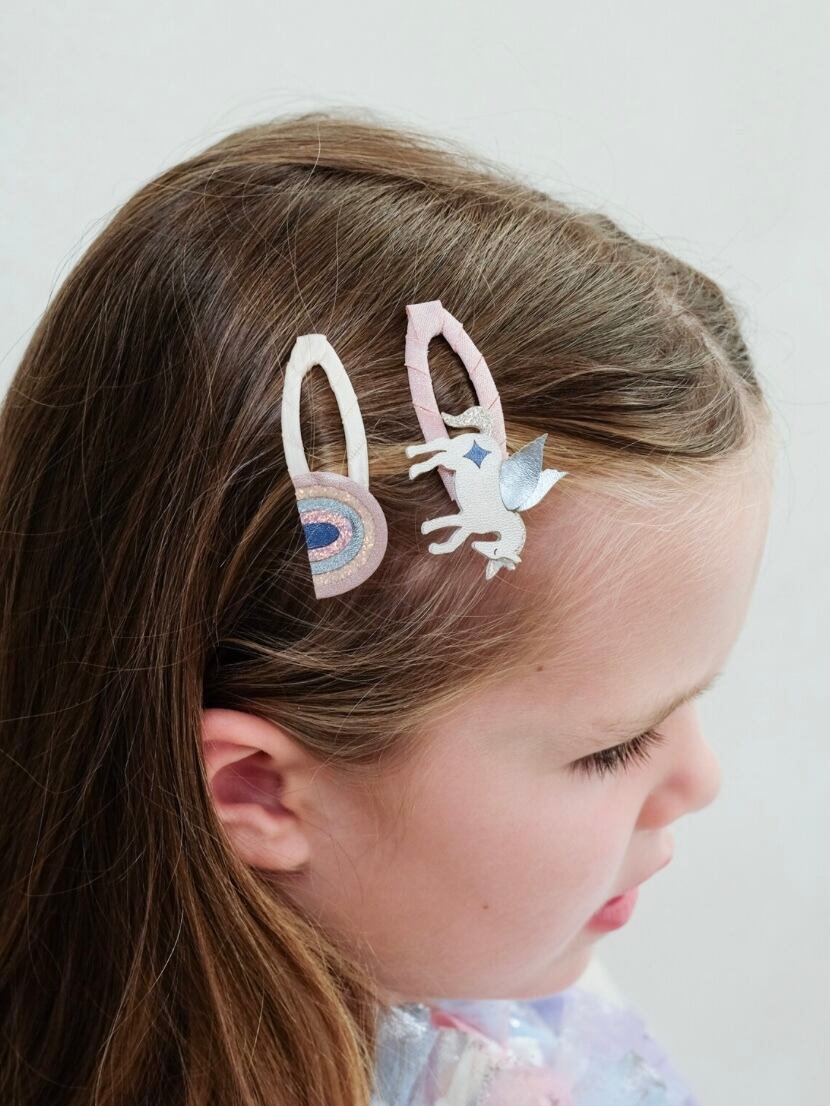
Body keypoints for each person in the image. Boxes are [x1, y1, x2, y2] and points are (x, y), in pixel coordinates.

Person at [0, 109, 775, 1106]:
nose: (700, 779)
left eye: (688, 701)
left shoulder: (530, 1011)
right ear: (259, 793)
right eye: (613, 747)